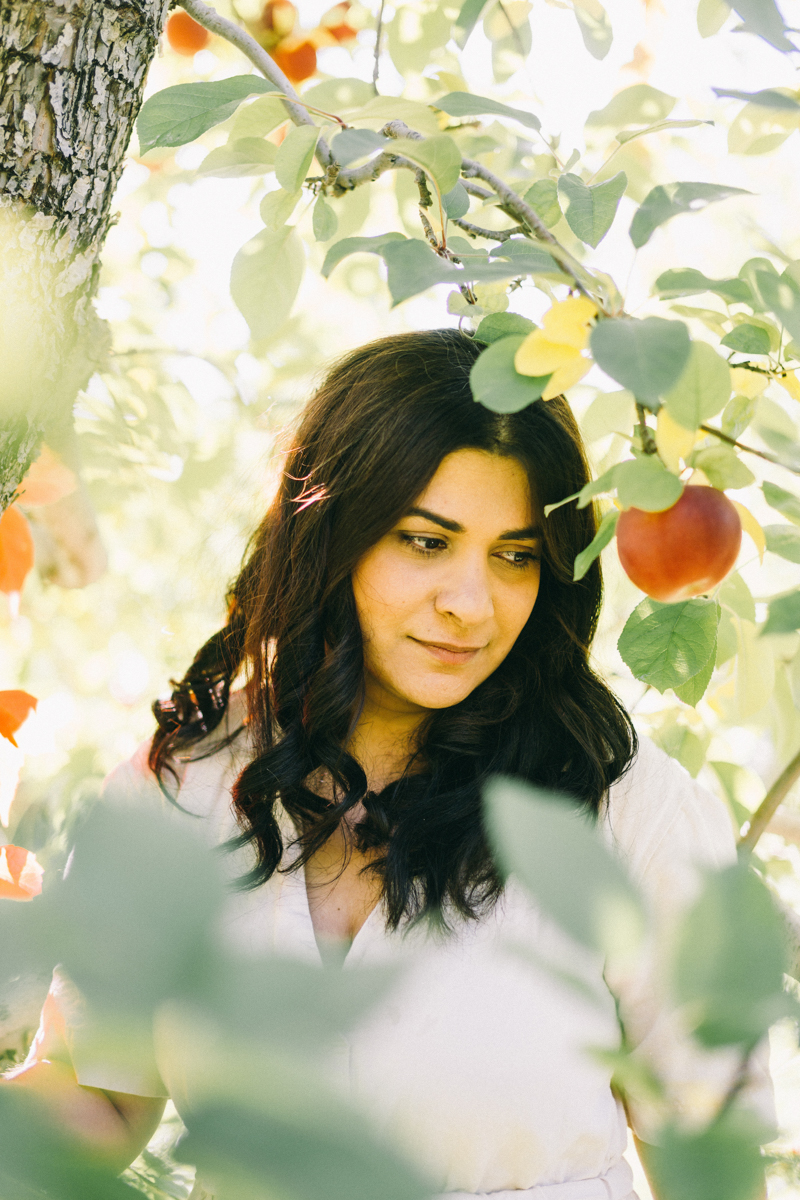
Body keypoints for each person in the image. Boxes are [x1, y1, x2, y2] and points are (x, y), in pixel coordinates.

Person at [4, 329, 772, 1197]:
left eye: (515, 556)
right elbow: (98, 1090)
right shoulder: (191, 783)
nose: (470, 605)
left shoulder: (626, 811)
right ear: (335, 532)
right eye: (425, 541)